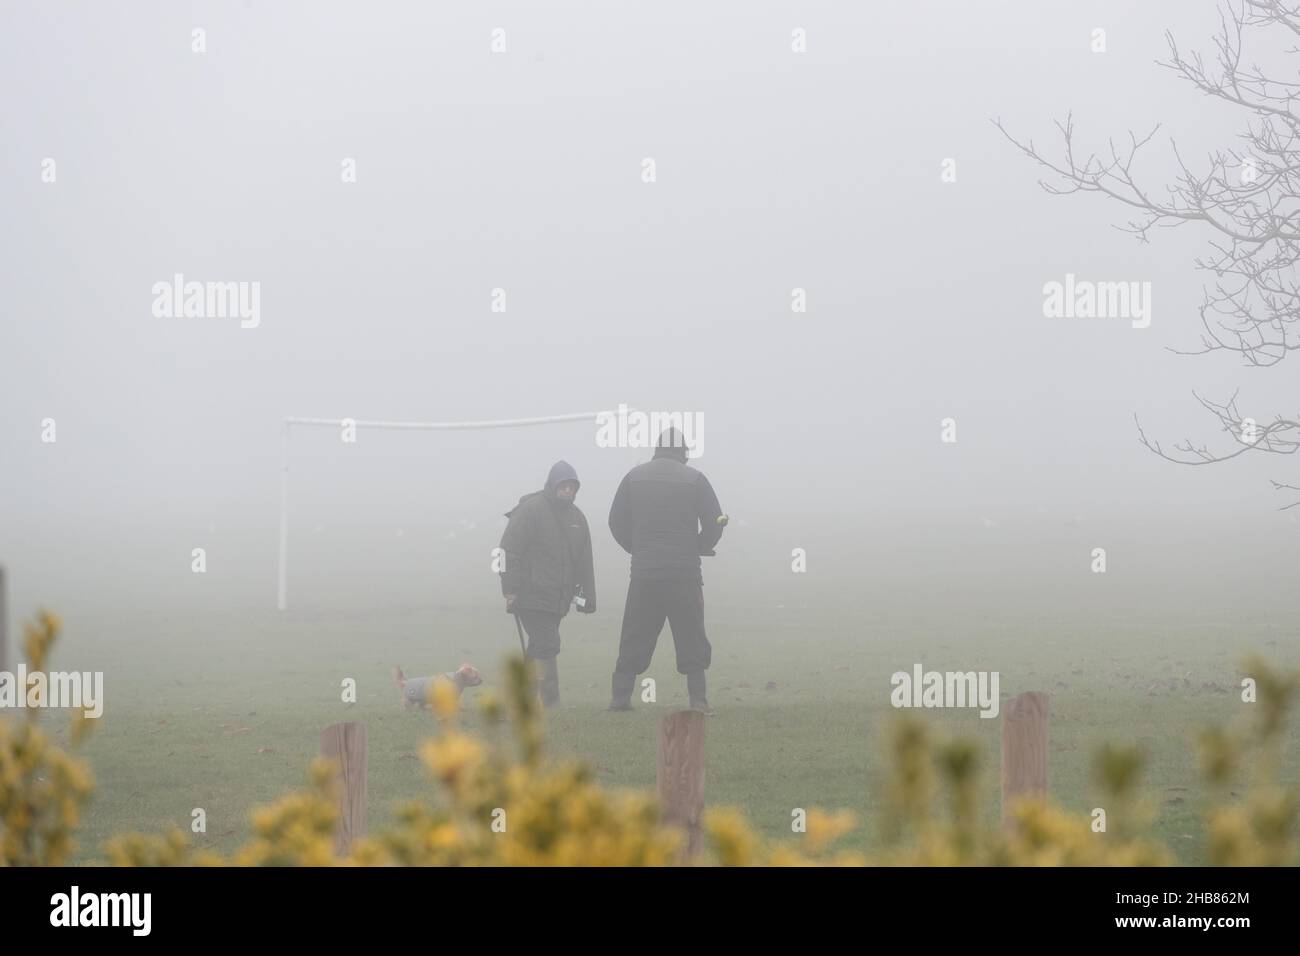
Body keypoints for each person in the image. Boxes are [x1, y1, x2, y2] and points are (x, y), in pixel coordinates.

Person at [607, 428, 724, 713]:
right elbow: (716, 521)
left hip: (645, 573)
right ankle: (698, 700)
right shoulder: (695, 479)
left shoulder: (633, 477)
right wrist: (699, 546)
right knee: (690, 634)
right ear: (684, 452)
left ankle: (620, 699)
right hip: (684, 573)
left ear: (657, 449)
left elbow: (615, 521)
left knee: (635, 633)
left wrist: (637, 548)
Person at [498, 460, 596, 706]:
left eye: (572, 487)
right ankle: (552, 703)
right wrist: (509, 589)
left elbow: (584, 562)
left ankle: (524, 701)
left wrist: (585, 598)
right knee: (548, 644)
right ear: (552, 485)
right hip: (530, 594)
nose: (568, 491)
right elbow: (507, 551)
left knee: (538, 647)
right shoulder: (531, 510)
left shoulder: (578, 518)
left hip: (558, 598)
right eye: (563, 486)